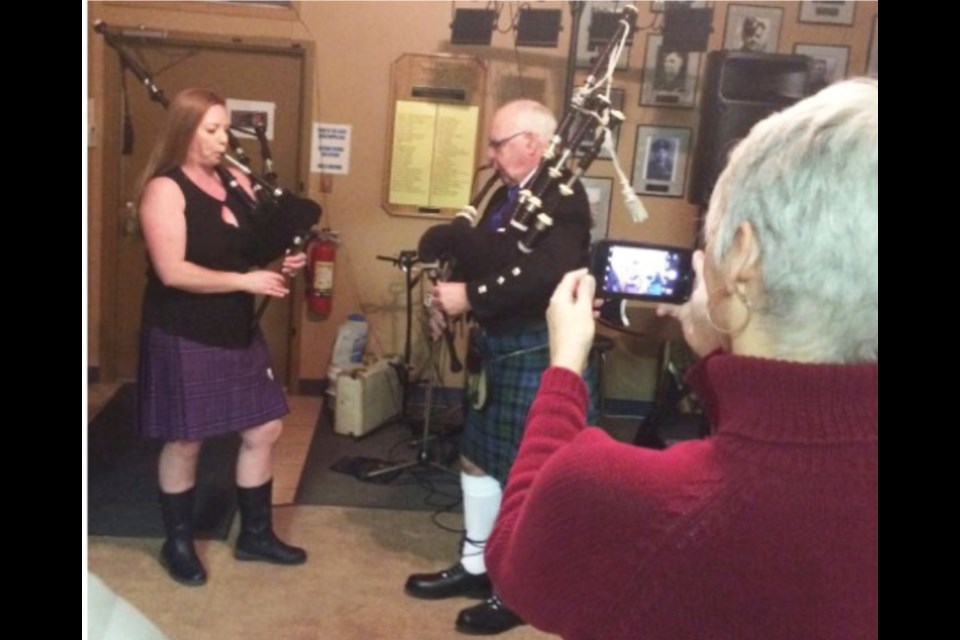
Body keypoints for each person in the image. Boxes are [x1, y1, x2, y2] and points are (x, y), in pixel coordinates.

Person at [485, 79, 878, 639]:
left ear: (742, 259)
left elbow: (515, 555)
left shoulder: (638, 502)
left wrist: (564, 370)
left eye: (710, 239)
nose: (698, 260)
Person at [404, 99, 595, 635]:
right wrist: (445, 297)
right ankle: (474, 567)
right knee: (476, 459)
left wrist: (472, 298)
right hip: (500, 347)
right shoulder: (506, 193)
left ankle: (515, 589)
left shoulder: (564, 197)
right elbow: (484, 252)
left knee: (523, 474)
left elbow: (545, 276)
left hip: (535, 348)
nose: (488, 156)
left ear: (532, 143)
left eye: (497, 144)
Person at [137, 88, 307, 587]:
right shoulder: (165, 190)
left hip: (235, 326)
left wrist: (278, 265)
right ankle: (178, 543)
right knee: (186, 438)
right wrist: (246, 281)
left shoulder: (234, 181)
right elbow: (172, 271)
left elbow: (252, 251)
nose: (222, 139)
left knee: (264, 429)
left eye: (225, 128)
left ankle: (255, 534)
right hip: (184, 327)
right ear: (183, 132)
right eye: (210, 129)